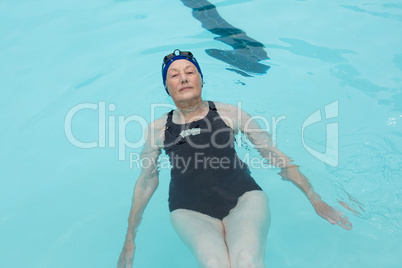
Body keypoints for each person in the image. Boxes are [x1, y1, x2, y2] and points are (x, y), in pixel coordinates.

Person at [117, 49, 352, 268]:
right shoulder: (157, 130)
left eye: (190, 72)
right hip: (189, 210)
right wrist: (130, 236)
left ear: (201, 79)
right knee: (213, 262)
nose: (184, 78)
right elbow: (147, 180)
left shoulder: (231, 114)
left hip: (243, 198)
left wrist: (314, 197)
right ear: (167, 87)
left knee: (247, 260)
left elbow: (274, 155)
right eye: (174, 75)